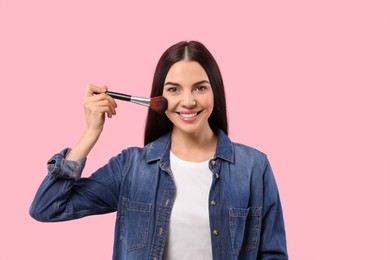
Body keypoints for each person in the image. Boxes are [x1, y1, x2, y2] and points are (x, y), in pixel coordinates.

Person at [30, 41, 288, 260]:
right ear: (158, 98)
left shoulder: (254, 167)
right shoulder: (131, 167)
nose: (188, 101)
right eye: (174, 89)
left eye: (200, 87)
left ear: (215, 92)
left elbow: (272, 253)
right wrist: (90, 134)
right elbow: (47, 207)